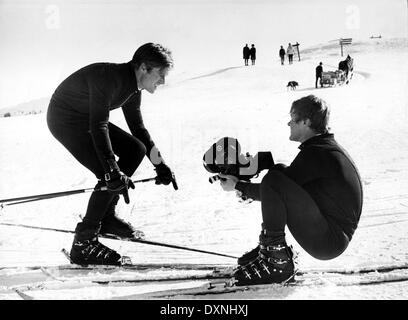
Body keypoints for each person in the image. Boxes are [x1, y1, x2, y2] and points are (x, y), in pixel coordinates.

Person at [47, 43, 177, 266]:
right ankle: (84, 242)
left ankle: (106, 218)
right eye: (161, 74)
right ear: (144, 68)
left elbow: (139, 130)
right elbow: (99, 125)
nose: (163, 81)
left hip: (85, 119)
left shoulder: (133, 87)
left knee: (135, 149)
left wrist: (160, 165)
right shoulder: (109, 78)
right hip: (64, 120)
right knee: (107, 174)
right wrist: (112, 170)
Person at [218, 95, 363, 286]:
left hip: (328, 241)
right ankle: (271, 249)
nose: (288, 123)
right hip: (330, 235)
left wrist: (237, 186)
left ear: (306, 122)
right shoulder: (322, 149)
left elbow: (273, 188)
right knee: (278, 172)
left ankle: (277, 260)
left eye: (293, 119)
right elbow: (282, 186)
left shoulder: (318, 153)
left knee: (274, 178)